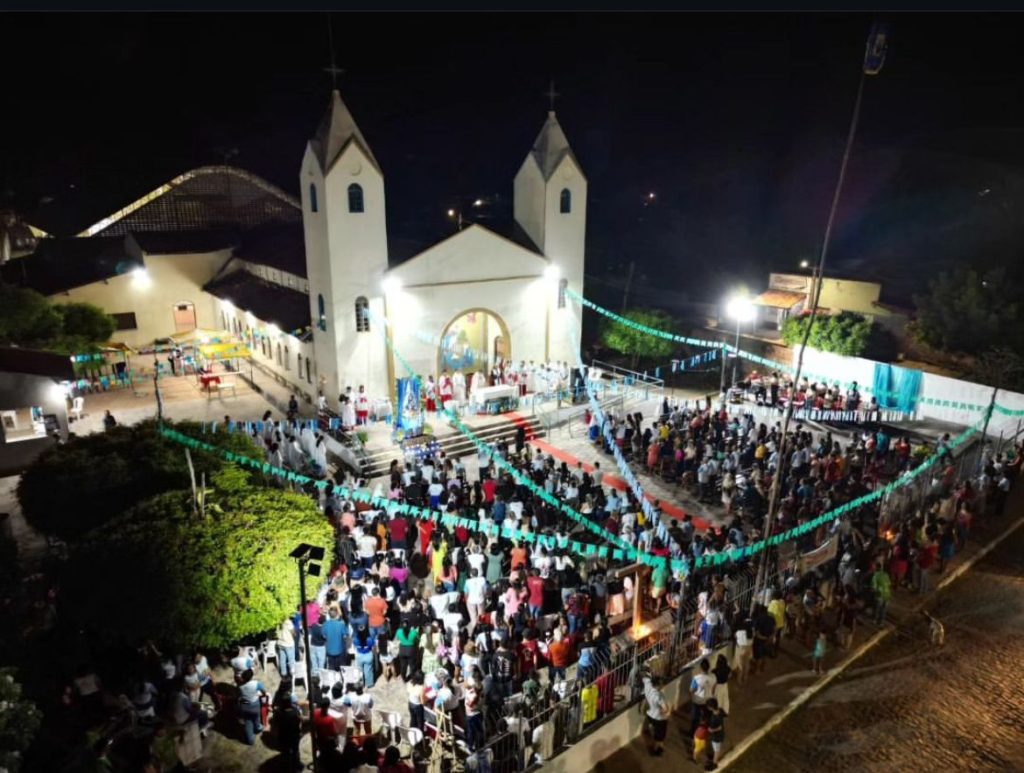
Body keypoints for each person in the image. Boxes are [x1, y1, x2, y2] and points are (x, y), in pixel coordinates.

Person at [641, 674, 669, 757]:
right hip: (659, 718)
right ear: (659, 684)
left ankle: (660, 747)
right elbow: (665, 709)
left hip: (650, 714)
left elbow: (644, 677)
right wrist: (664, 713)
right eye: (662, 684)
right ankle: (656, 750)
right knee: (659, 736)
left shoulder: (648, 686)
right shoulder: (659, 696)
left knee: (655, 732)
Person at [237, 668, 267, 745]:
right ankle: (258, 728)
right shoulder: (256, 683)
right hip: (255, 705)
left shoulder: (240, 686)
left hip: (245, 706)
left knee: (248, 722)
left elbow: (240, 696)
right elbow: (264, 692)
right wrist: (261, 695)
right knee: (256, 717)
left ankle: (250, 740)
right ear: (251, 676)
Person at [706, 697, 726, 767]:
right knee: (715, 749)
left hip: (717, 736)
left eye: (708, 706)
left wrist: (712, 730)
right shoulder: (720, 711)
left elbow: (719, 728)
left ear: (711, 707)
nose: (708, 708)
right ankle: (714, 759)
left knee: (716, 750)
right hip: (718, 735)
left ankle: (714, 763)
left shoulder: (715, 717)